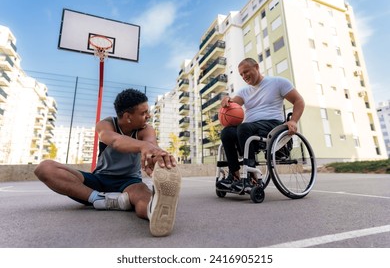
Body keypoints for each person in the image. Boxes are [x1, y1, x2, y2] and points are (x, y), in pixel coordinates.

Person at [34, 88, 181, 237]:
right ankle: (100, 199)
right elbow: (116, 141)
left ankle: (153, 213)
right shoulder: (106, 124)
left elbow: (152, 145)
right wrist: (143, 146)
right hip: (99, 180)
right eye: (143, 113)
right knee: (44, 168)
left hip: (130, 182)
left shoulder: (146, 130)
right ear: (127, 116)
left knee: (144, 196)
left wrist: (159, 157)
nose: (148, 116)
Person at [216, 57, 305, 192]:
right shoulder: (244, 91)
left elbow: (299, 101)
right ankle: (234, 176)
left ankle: (251, 177)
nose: (244, 76)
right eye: (241, 74)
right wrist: (226, 101)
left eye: (246, 72)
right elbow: (232, 106)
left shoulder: (278, 82)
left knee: (243, 128)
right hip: (248, 129)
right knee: (227, 132)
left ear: (256, 67)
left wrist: (293, 120)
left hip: (272, 125)